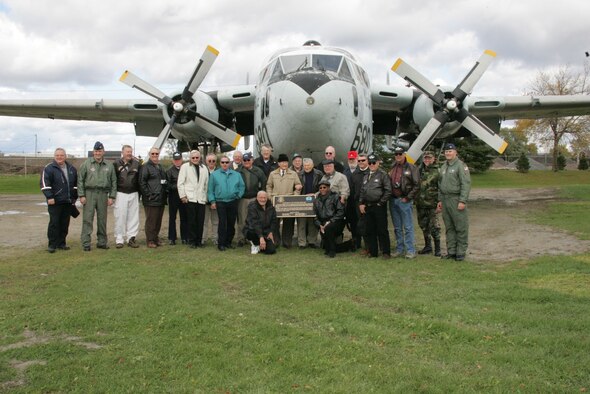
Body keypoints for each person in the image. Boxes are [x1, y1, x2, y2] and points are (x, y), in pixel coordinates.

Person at [78, 141, 117, 251]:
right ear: (93, 152)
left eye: (99, 151)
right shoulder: (86, 164)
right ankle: (86, 243)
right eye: (96, 151)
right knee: (87, 219)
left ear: (103, 152)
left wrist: (112, 196)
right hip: (89, 193)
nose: (98, 153)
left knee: (102, 219)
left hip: (103, 194)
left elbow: (114, 181)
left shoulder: (109, 165)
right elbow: (80, 180)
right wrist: (81, 195)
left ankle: (102, 242)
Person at [436, 143, 471, 261]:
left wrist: (462, 200)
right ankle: (451, 251)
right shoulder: (443, 166)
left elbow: (465, 184)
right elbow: (440, 184)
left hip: (456, 199)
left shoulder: (461, 166)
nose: (447, 153)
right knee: (449, 227)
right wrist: (440, 200)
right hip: (445, 200)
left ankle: (460, 252)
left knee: (460, 227)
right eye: (446, 151)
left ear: (455, 152)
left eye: (450, 151)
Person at [40, 147, 78, 253]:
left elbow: (75, 185)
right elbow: (44, 183)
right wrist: (50, 197)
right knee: (54, 223)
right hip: (55, 201)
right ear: (54, 156)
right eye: (57, 155)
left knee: (64, 223)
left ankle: (62, 243)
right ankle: (52, 244)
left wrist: (74, 198)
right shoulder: (49, 168)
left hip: (67, 201)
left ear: (65, 156)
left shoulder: (71, 169)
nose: (59, 157)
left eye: (62, 155)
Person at [207, 155, 245, 251]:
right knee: (222, 223)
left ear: (229, 163)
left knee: (231, 223)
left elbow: (242, 186)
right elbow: (210, 190)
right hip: (220, 201)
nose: (225, 164)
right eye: (223, 162)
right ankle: (221, 243)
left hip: (233, 201)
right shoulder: (214, 175)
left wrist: (238, 195)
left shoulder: (236, 174)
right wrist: (212, 201)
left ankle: (228, 242)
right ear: (220, 163)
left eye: (227, 162)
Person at [388, 146, 420, 259]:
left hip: (404, 200)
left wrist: (408, 198)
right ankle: (399, 249)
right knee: (397, 227)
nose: (398, 156)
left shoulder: (411, 167)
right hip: (393, 200)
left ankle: (410, 250)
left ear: (404, 154)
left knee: (408, 227)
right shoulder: (392, 166)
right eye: (396, 154)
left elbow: (417, 185)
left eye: (400, 154)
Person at [359, 153, 392, 258]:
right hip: (368, 206)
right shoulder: (366, 175)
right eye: (370, 163)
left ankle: (386, 252)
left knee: (382, 230)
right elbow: (362, 191)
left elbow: (388, 191)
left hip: (379, 206)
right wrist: (361, 203)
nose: (372, 164)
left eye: (374, 162)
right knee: (370, 230)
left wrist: (381, 203)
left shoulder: (383, 174)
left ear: (378, 163)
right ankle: (373, 252)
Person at [266, 153, 302, 248]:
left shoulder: (293, 174)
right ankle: (276, 241)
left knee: (288, 224)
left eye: (286, 162)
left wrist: (295, 196)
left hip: (288, 202)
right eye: (282, 162)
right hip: (275, 202)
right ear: (278, 163)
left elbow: (298, 186)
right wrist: (269, 196)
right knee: (275, 223)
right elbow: (269, 186)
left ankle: (287, 242)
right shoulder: (273, 174)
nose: (284, 164)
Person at [178, 150, 209, 248]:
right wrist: (183, 196)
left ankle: (199, 241)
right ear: (190, 158)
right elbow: (180, 183)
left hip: (201, 198)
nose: (195, 159)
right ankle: (192, 241)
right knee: (191, 221)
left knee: (200, 221)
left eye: (197, 157)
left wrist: (206, 197)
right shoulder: (185, 167)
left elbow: (206, 184)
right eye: (193, 158)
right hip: (190, 198)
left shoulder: (204, 168)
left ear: (200, 158)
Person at [113, 144, 141, 249]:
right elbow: (113, 179)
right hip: (121, 193)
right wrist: (112, 195)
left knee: (133, 217)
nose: (129, 153)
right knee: (120, 216)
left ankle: (131, 238)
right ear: (122, 152)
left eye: (130, 151)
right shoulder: (116, 163)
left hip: (133, 193)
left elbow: (139, 179)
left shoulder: (137, 164)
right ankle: (119, 239)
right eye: (127, 151)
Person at [236, 152, 267, 247]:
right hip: (242, 199)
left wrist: (262, 197)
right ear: (242, 161)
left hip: (254, 198)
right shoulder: (238, 171)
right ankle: (241, 239)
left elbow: (264, 183)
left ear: (252, 160)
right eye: (244, 160)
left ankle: (256, 238)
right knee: (242, 219)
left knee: (256, 220)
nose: (246, 162)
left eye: (248, 160)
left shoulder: (258, 171)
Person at [139, 147, 167, 248]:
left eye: (156, 154)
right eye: (153, 154)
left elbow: (164, 180)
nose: (155, 155)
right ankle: (150, 240)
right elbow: (142, 183)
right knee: (151, 220)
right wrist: (149, 195)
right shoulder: (145, 167)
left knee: (158, 220)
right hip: (151, 199)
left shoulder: (160, 167)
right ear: (149, 154)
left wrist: (165, 191)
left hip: (161, 199)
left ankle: (155, 238)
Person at [416, 150, 442, 256]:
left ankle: (438, 249)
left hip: (432, 203)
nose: (427, 160)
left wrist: (440, 201)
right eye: (425, 158)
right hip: (420, 203)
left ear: (433, 159)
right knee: (423, 225)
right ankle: (428, 246)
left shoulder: (438, 171)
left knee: (434, 226)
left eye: (429, 158)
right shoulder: (419, 169)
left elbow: (441, 187)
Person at [313, 180, 346, 258]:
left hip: (336, 220)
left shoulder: (335, 196)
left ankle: (332, 251)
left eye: (324, 187)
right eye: (320, 188)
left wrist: (330, 221)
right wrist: (319, 225)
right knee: (326, 246)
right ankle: (346, 246)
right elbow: (315, 215)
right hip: (323, 222)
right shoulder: (317, 200)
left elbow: (341, 212)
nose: (322, 189)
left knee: (328, 228)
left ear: (328, 188)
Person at [297, 158, 323, 248]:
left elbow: (322, 186)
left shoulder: (319, 174)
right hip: (302, 201)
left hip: (314, 200)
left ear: (312, 165)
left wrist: (315, 194)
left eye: (308, 165)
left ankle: (312, 241)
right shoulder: (299, 174)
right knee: (301, 222)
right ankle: (302, 243)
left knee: (313, 222)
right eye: (305, 166)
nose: (306, 167)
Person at [243, 191, 278, 255]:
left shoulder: (271, 207)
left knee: (271, 250)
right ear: (257, 198)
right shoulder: (252, 207)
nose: (263, 199)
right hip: (253, 231)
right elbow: (255, 223)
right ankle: (255, 244)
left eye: (264, 198)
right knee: (251, 232)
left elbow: (274, 221)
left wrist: (271, 232)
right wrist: (261, 237)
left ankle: (259, 247)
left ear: (267, 198)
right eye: (261, 198)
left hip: (266, 232)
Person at [166, 152, 189, 245]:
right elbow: (167, 185)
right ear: (173, 160)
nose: (177, 161)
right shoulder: (169, 171)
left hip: (183, 196)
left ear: (182, 159)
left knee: (184, 218)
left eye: (179, 159)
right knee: (172, 218)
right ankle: (172, 238)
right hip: (173, 196)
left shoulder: (186, 169)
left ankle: (185, 237)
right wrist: (178, 186)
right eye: (175, 160)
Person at [351, 153, 370, 252]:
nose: (361, 162)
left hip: (370, 203)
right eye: (359, 161)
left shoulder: (371, 172)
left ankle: (370, 246)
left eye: (363, 160)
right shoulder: (355, 174)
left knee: (370, 225)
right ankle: (361, 245)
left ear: (367, 161)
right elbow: (353, 189)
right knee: (360, 225)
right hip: (358, 203)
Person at [203, 153, 219, 245]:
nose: (211, 162)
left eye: (213, 161)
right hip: (205, 201)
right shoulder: (202, 170)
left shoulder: (219, 171)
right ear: (206, 161)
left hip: (216, 201)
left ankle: (215, 238)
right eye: (209, 161)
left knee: (216, 222)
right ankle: (203, 238)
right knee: (204, 222)